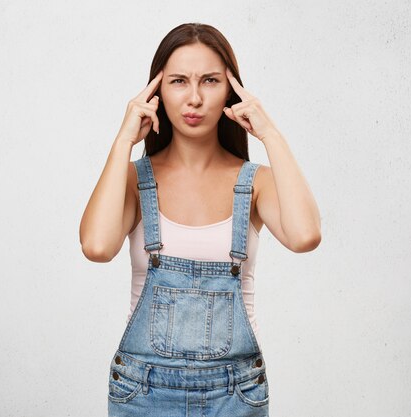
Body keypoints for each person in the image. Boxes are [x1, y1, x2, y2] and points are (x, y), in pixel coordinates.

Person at [79, 22, 321, 417]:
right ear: (157, 92)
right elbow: (97, 246)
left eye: (209, 80)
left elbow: (306, 235)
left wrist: (271, 134)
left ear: (231, 90)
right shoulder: (133, 180)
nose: (194, 98)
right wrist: (124, 141)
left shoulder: (255, 183)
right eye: (178, 81)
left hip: (234, 396)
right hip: (143, 395)